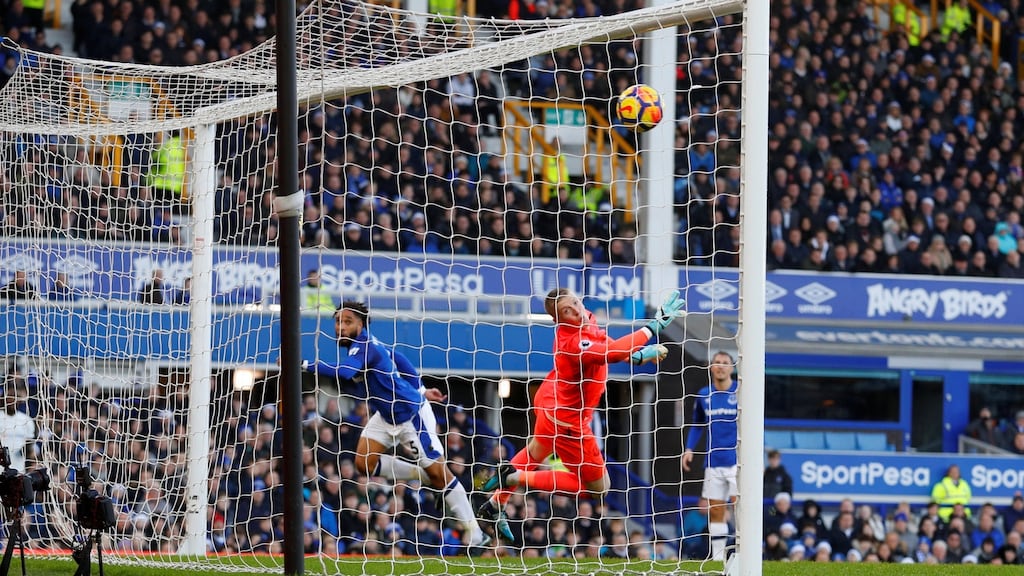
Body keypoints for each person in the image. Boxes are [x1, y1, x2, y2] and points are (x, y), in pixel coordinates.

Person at [477, 288, 683, 542]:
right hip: (568, 421)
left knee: (536, 450)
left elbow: (604, 344)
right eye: (567, 311)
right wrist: (654, 326)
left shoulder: (585, 316)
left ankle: (495, 505)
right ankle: (514, 476)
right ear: (558, 320)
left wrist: (638, 356)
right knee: (598, 487)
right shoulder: (572, 342)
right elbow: (612, 352)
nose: (576, 311)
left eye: (575, 303)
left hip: (551, 399)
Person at [302, 301, 491, 549]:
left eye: (348, 322)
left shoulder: (365, 346)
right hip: (385, 416)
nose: (341, 327)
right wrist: (422, 388)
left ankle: (476, 532)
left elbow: (347, 373)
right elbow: (400, 359)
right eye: (338, 322)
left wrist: (305, 365)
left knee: (441, 474)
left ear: (361, 324)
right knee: (363, 464)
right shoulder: (368, 345)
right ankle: (425, 477)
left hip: (410, 416)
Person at [682, 350, 740, 561]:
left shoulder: (740, 392)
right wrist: (689, 449)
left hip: (737, 462)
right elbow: (698, 424)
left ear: (732, 367)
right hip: (713, 462)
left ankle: (744, 553)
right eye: (717, 362)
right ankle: (718, 558)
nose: (721, 366)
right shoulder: (704, 394)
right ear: (711, 366)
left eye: (725, 362)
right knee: (716, 510)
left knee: (739, 508)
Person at [0, 386, 36, 472]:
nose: (12, 400)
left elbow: (29, 447)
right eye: (10, 397)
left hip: (19, 469)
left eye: (14, 397)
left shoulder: (27, 420)